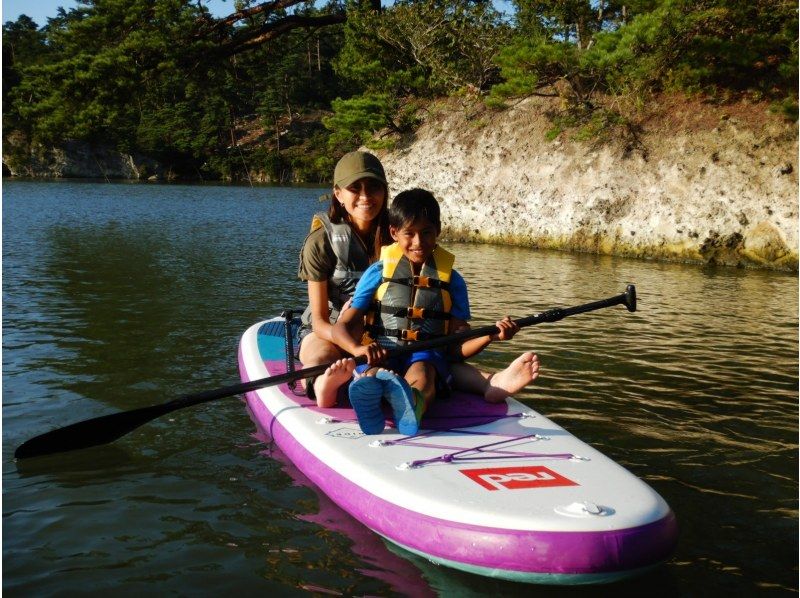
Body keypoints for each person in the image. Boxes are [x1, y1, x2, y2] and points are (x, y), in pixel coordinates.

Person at [332, 188, 539, 435]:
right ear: (394, 232)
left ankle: (413, 406)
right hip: (382, 353)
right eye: (409, 233)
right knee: (375, 374)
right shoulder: (377, 273)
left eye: (427, 233)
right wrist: (358, 349)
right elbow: (342, 326)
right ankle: (372, 398)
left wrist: (490, 336)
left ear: (438, 231)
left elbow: (456, 349)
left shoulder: (453, 281)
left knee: (424, 371)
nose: (419, 242)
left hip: (425, 356)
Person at [296, 151, 390, 407]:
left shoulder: (399, 235)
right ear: (338, 194)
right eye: (354, 188)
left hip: (383, 330)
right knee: (324, 356)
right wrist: (353, 346)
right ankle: (322, 385)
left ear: (385, 191)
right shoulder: (320, 242)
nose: (365, 197)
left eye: (373, 187)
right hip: (329, 331)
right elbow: (318, 322)